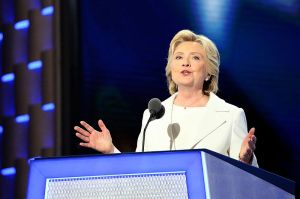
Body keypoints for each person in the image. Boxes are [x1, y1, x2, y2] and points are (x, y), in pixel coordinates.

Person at [74, 29, 258, 166]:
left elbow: (245, 181)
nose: (185, 62)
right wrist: (111, 150)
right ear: (171, 68)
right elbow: (139, 172)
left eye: (195, 58)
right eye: (178, 58)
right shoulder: (153, 115)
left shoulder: (231, 115)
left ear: (209, 72)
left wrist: (245, 158)